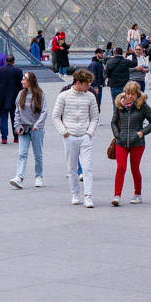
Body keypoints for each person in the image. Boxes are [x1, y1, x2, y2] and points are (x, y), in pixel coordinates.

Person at [54, 68, 100, 207]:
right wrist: (64, 132)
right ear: (79, 83)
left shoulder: (90, 96)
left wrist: (89, 133)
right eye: (87, 84)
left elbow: (95, 116)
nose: (89, 87)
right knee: (72, 167)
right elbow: (56, 116)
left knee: (87, 167)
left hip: (85, 136)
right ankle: (75, 193)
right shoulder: (64, 96)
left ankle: (88, 196)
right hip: (70, 135)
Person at [109, 80, 151, 205]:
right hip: (121, 142)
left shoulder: (142, 106)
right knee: (121, 168)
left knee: (135, 168)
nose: (130, 97)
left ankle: (137, 194)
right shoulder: (119, 106)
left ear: (137, 94)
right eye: (128, 94)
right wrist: (117, 134)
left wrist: (141, 133)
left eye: (133, 94)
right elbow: (113, 122)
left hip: (137, 143)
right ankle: (117, 195)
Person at [8, 71, 46, 188]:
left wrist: (37, 125)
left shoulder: (39, 94)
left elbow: (44, 112)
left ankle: (38, 176)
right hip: (24, 128)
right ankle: (19, 177)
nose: (22, 81)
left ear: (29, 81)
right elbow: (17, 111)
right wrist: (17, 126)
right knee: (22, 153)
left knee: (38, 154)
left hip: (36, 129)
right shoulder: (21, 94)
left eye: (24, 79)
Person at [0, 54, 23, 145]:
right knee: (15, 117)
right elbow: (21, 86)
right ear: (14, 62)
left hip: (1, 97)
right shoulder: (18, 71)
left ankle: (4, 137)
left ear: (5, 61)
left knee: (3, 118)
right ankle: (16, 136)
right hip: (14, 97)